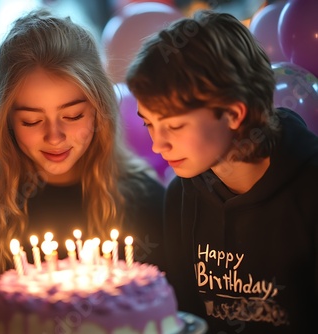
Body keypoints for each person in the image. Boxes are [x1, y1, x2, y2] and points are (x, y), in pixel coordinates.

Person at [0, 8, 165, 324]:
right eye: (32, 120)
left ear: (99, 110)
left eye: (73, 116)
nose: (54, 137)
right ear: (7, 120)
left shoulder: (144, 199)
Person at [126, 10, 318, 333]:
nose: (158, 145)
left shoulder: (310, 189)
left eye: (173, 125)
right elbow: (188, 319)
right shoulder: (180, 197)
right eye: (149, 123)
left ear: (233, 113)